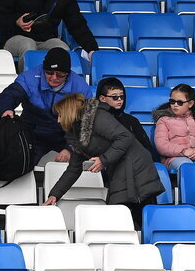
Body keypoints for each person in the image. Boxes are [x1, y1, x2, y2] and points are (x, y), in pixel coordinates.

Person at [43, 93, 164, 228]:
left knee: (136, 214)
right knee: (122, 215)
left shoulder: (97, 117)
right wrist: (55, 194)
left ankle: (144, 243)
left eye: (60, 115)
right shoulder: (76, 133)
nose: (58, 121)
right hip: (120, 167)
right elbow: (74, 168)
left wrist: (103, 160)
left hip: (136, 166)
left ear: (69, 113)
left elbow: (125, 137)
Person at [0, 47, 92, 166]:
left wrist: (70, 149)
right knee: (19, 164)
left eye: (60, 75)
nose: (54, 78)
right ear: (43, 69)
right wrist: (6, 109)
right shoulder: (29, 78)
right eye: (49, 73)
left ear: (68, 73)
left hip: (65, 136)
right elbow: (8, 96)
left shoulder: (81, 87)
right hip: (32, 133)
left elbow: (86, 123)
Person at [95, 77, 157, 161]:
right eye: (115, 97)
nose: (120, 99)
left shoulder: (132, 121)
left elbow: (147, 149)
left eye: (122, 96)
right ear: (102, 98)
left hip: (133, 164)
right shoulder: (94, 120)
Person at [153, 83, 195, 170]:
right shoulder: (163, 120)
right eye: (172, 101)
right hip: (174, 158)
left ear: (190, 104)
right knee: (186, 166)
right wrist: (183, 151)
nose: (175, 105)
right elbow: (161, 145)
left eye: (180, 102)